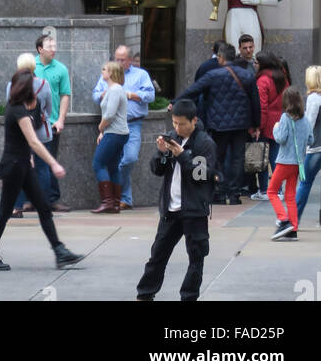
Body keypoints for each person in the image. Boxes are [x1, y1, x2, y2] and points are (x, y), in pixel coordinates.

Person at [0, 73, 81, 273]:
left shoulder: (21, 108)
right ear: (26, 89)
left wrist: (32, 158)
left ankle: (59, 251)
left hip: (23, 164)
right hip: (15, 166)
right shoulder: (17, 110)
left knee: (43, 207)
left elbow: (25, 141)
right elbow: (33, 140)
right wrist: (53, 164)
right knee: (5, 212)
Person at [135, 99, 219, 303]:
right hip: (170, 209)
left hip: (194, 210)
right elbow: (157, 170)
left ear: (194, 121)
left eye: (181, 123)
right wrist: (162, 154)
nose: (177, 128)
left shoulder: (204, 143)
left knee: (196, 257)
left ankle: (188, 297)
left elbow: (200, 175)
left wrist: (181, 155)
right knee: (158, 255)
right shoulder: (171, 137)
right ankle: (145, 294)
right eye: (174, 123)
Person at [172, 42, 261, 204]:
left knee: (218, 156)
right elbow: (256, 101)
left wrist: (175, 102)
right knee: (238, 158)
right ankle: (234, 194)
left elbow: (193, 90)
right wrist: (256, 124)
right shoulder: (247, 75)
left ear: (220, 57)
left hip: (218, 124)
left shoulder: (213, 75)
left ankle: (220, 190)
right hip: (241, 124)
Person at [92, 43, 154, 211]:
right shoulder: (109, 81)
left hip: (131, 124)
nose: (119, 62)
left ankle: (113, 200)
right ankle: (119, 199)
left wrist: (132, 95)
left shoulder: (140, 75)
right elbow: (95, 95)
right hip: (114, 127)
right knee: (112, 164)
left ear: (130, 60)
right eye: (116, 59)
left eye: (122, 59)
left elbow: (150, 95)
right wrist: (105, 93)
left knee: (127, 159)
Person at [6, 52, 52, 218]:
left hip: (20, 135)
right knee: (42, 169)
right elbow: (49, 109)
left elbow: (10, 109)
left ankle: (17, 207)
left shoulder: (12, 85)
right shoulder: (44, 84)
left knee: (18, 170)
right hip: (41, 132)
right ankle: (44, 207)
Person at [268, 85, 311, 239]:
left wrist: (275, 127)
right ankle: (293, 229)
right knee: (290, 196)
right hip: (298, 164)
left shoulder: (285, 118)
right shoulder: (305, 119)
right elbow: (311, 139)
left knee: (271, 191)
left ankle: (284, 220)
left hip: (284, 161)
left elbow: (280, 138)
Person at [35, 32, 71, 211]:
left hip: (52, 123)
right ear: (40, 49)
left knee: (50, 160)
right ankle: (30, 199)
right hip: (31, 123)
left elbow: (65, 95)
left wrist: (61, 120)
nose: (54, 50)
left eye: (55, 46)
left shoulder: (61, 69)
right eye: (50, 47)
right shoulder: (30, 66)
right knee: (30, 162)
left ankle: (52, 199)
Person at [296, 66, 321, 223]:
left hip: (318, 147)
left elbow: (308, 125)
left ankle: (292, 221)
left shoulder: (313, 98)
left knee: (305, 182)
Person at [91, 61, 129, 214]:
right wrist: (103, 131)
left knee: (98, 164)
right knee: (113, 167)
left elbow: (110, 114)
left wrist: (100, 127)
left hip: (114, 133)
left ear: (112, 73)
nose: (102, 71)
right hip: (117, 133)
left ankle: (108, 202)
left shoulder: (114, 90)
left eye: (104, 69)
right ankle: (115, 203)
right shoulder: (114, 89)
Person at [251, 52, 287, 198]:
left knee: (261, 157)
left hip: (266, 124)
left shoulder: (263, 80)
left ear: (262, 64)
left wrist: (258, 126)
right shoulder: (281, 77)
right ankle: (278, 189)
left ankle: (265, 190)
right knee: (275, 157)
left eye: (256, 62)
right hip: (279, 120)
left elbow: (262, 106)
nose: (254, 64)